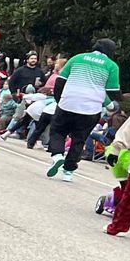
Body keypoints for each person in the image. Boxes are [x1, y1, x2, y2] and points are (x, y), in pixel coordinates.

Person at [44, 39, 122, 183]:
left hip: (68, 102)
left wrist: (59, 100)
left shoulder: (77, 58)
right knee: (79, 139)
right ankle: (68, 171)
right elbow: (113, 91)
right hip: (91, 109)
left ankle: (57, 156)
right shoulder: (111, 66)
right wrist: (116, 104)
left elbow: (60, 81)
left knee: (57, 131)